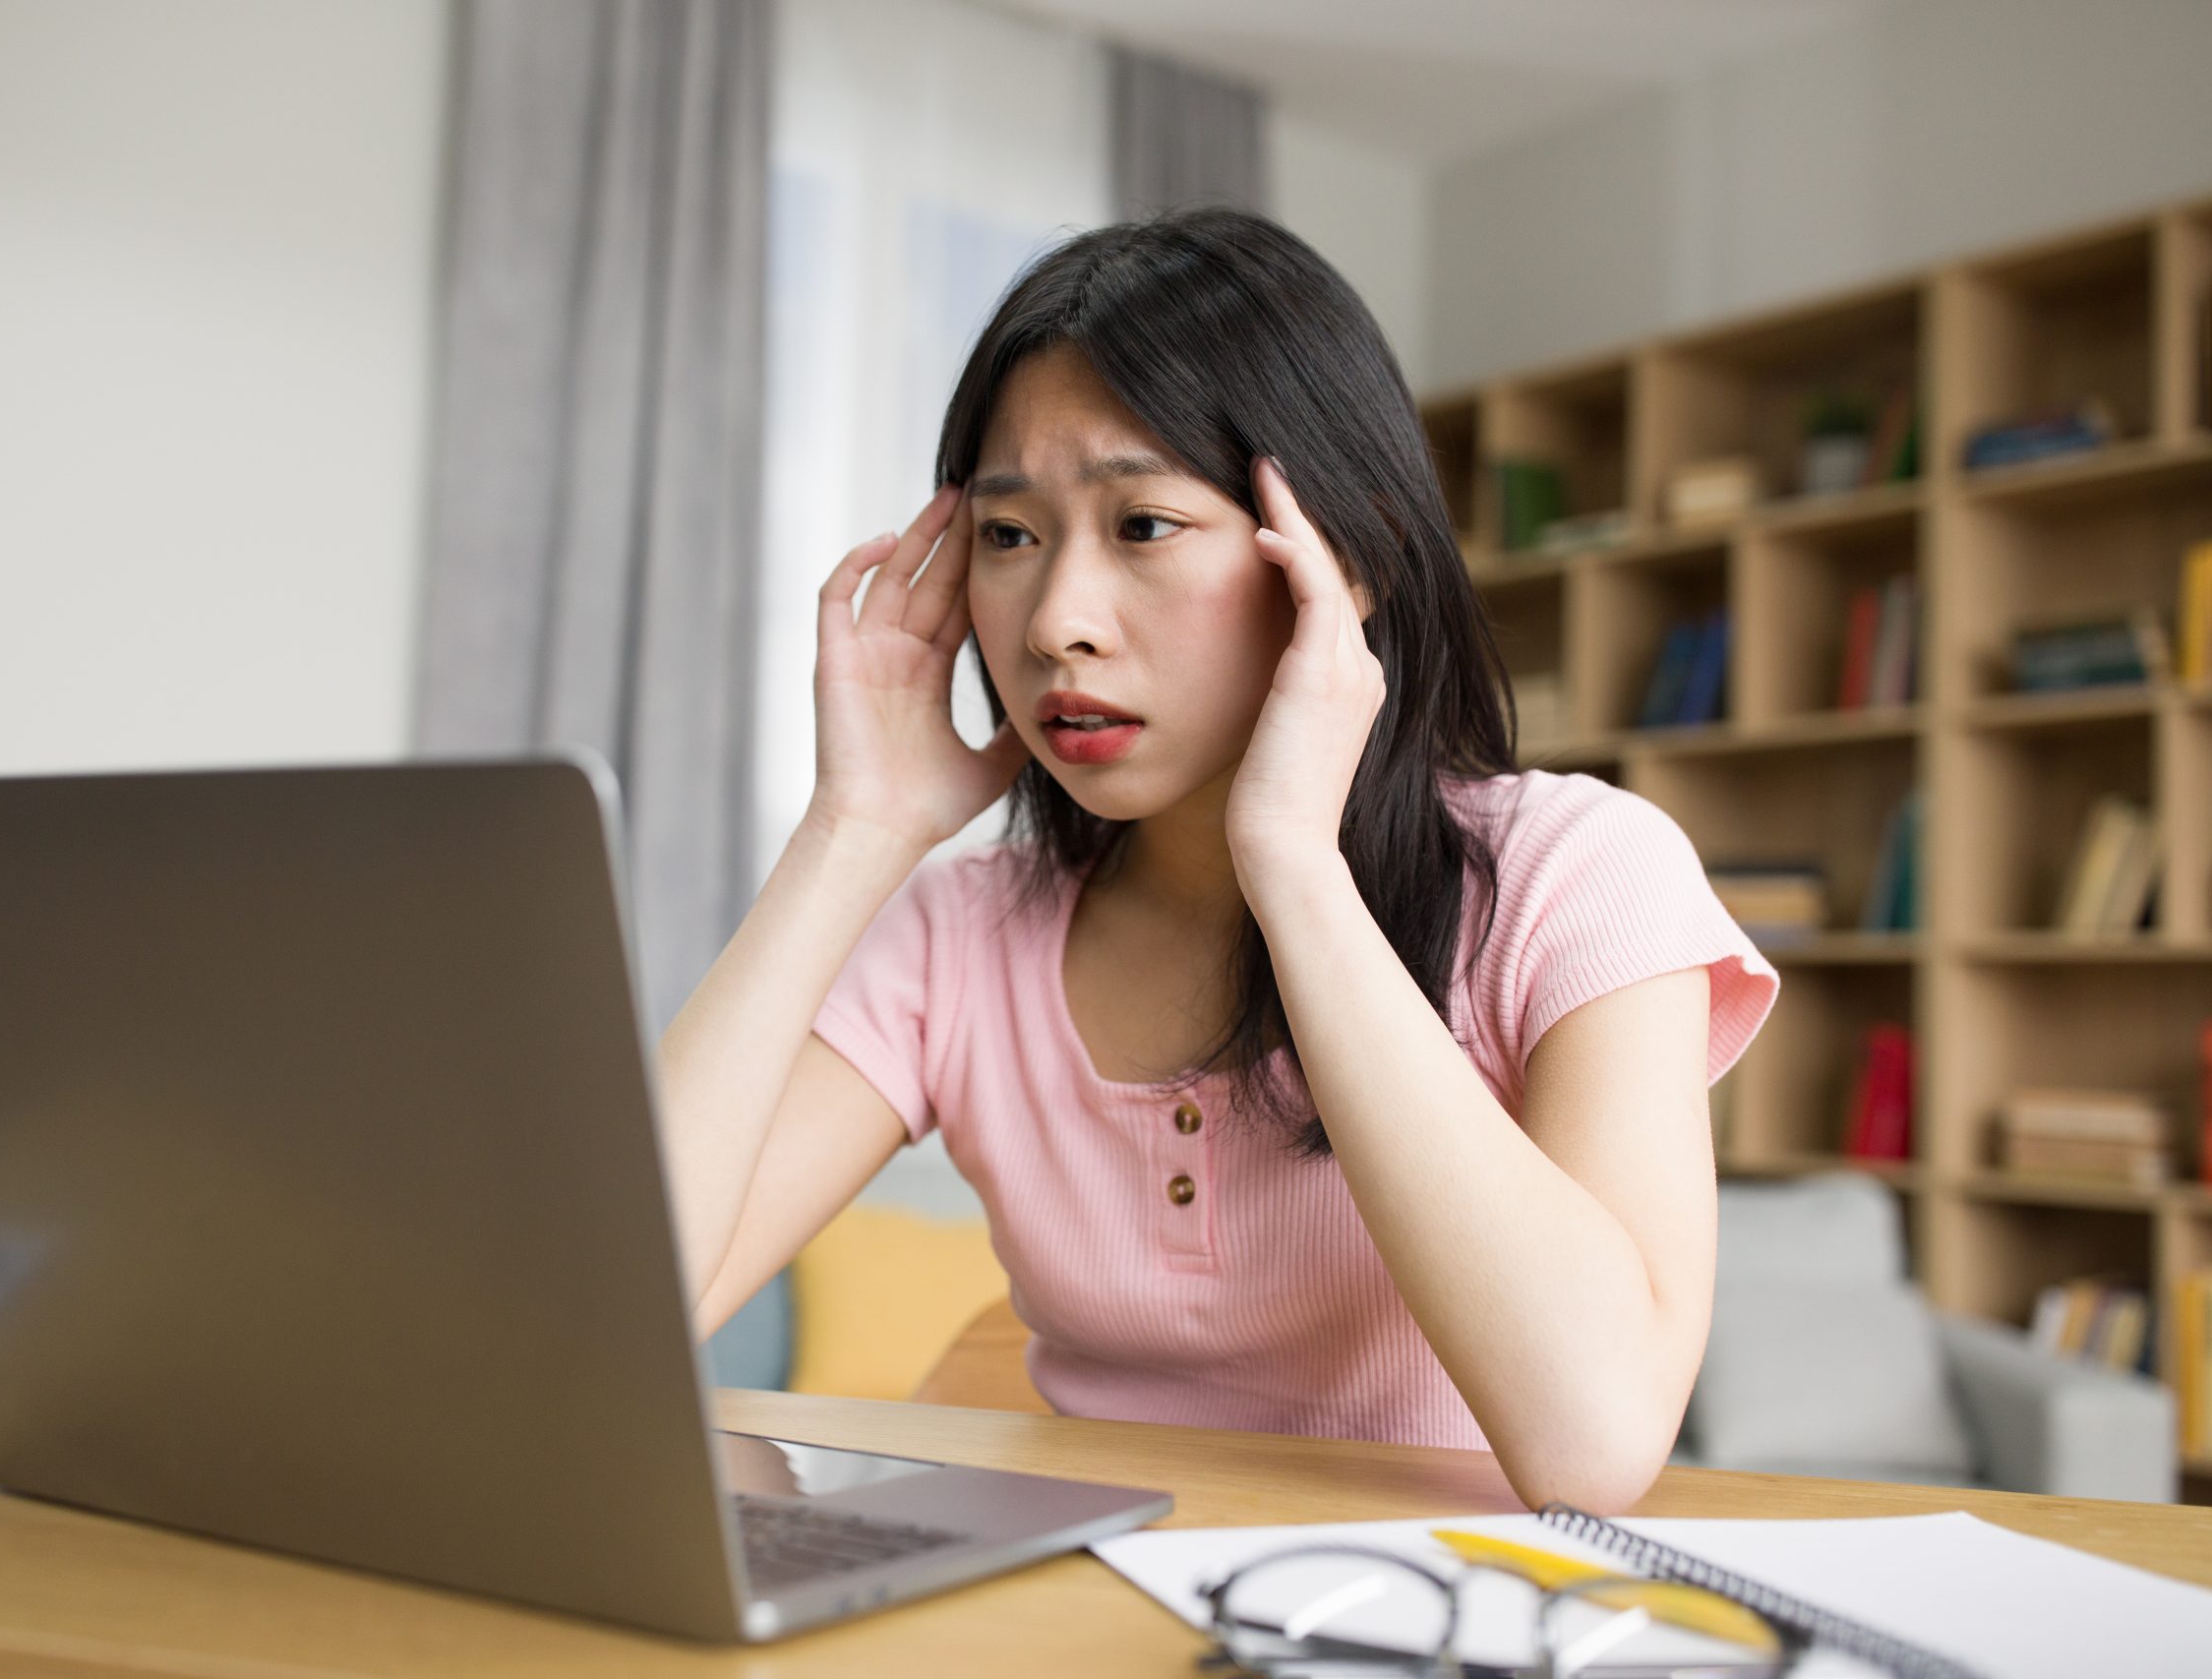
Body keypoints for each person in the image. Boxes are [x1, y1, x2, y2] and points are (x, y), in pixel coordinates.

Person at [658, 206, 1779, 1513]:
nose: (1056, 625)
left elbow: (1592, 1444)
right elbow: (604, 1324)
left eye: (1142, 526)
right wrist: (852, 831)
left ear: (1344, 552)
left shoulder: (1579, 878)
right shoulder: (964, 933)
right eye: (1011, 538)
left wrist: (1294, 866)